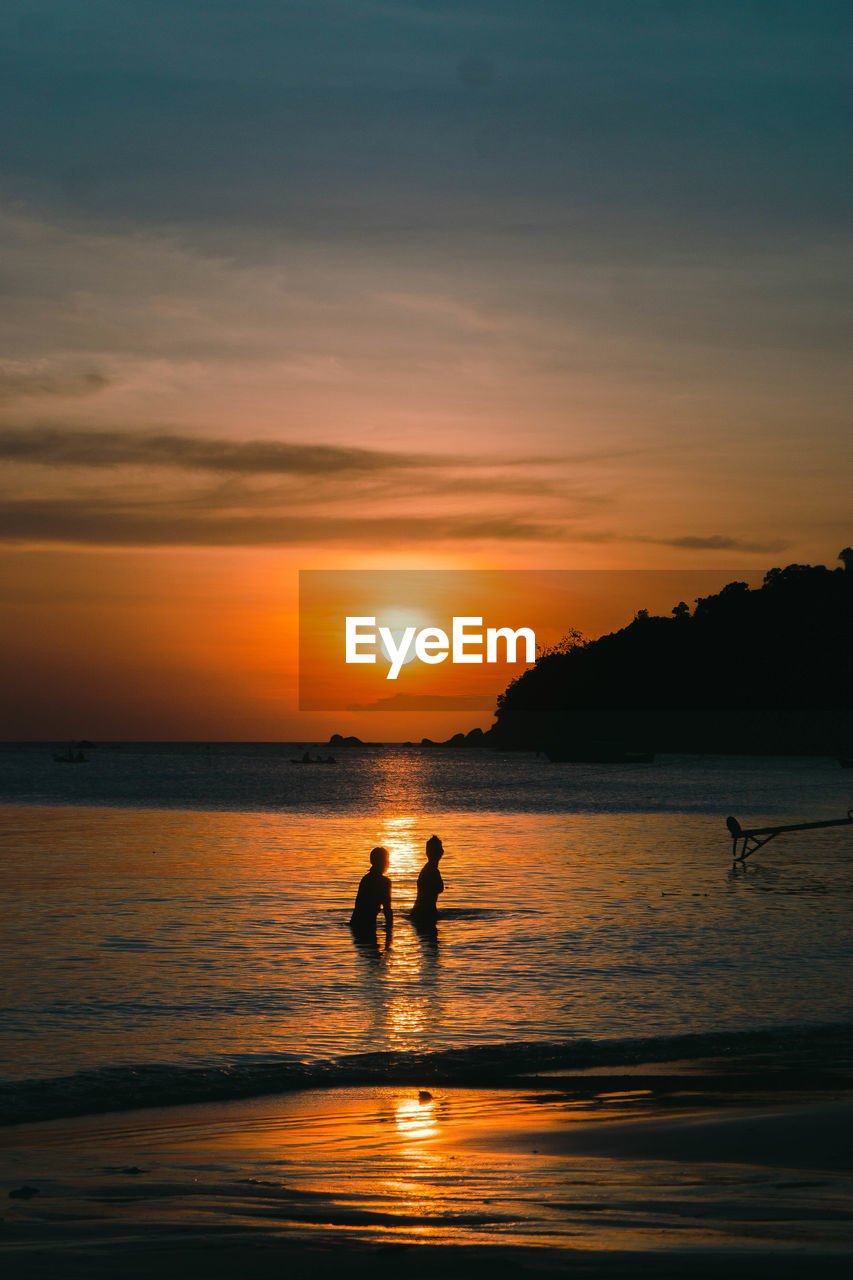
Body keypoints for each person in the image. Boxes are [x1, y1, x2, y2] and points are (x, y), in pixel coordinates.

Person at [350, 846, 393, 934]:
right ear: (384, 862)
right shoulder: (384, 882)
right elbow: (387, 909)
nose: (388, 863)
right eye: (386, 860)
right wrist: (390, 931)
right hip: (368, 924)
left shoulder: (365, 879)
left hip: (355, 923)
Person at [408, 835, 444, 926]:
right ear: (440, 852)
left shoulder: (428, 869)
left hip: (421, 911)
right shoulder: (432, 870)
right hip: (425, 913)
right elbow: (439, 888)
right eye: (440, 848)